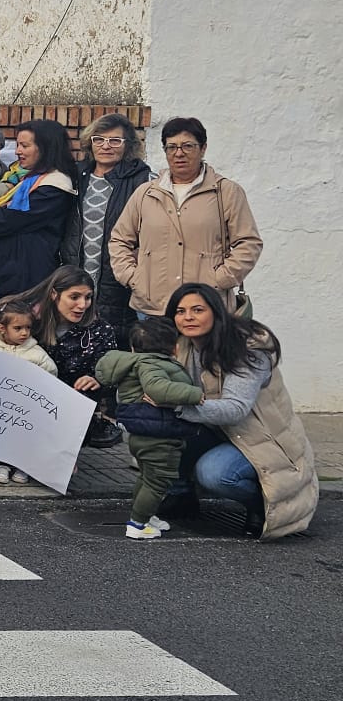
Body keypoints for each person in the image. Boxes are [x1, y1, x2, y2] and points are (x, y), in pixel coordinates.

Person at [164, 283, 316, 540]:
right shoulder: (181, 345)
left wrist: (174, 405)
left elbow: (234, 410)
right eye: (180, 311)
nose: (188, 317)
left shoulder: (247, 349)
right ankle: (181, 495)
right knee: (156, 432)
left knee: (214, 473)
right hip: (220, 433)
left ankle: (265, 503)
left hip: (263, 441)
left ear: (216, 312)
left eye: (197, 309)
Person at [108, 118, 263, 320]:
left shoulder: (225, 192)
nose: (179, 153)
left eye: (187, 146)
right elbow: (119, 239)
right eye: (171, 147)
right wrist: (133, 278)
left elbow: (249, 243)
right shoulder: (146, 193)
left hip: (206, 307)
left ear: (203, 148)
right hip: (153, 309)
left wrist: (220, 279)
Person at [94, 317, 206, 541]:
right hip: (159, 437)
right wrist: (195, 395)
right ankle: (138, 524)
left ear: (134, 347)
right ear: (175, 347)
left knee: (147, 479)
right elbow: (158, 389)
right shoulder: (153, 365)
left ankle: (147, 515)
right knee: (157, 481)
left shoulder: (137, 364)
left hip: (143, 434)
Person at [0, 118, 77, 310]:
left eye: (24, 145)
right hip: (9, 273)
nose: (17, 151)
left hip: (24, 278)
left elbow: (10, 220)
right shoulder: (28, 179)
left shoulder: (54, 186)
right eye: (18, 145)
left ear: (46, 147)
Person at [22, 265, 123, 447]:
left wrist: (97, 378)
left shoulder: (101, 329)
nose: (82, 305)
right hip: (26, 394)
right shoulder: (26, 319)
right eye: (74, 297)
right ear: (54, 294)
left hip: (70, 401)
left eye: (88, 297)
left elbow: (114, 371)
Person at [69, 113, 152, 326]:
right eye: (99, 139)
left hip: (118, 278)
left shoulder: (143, 180)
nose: (106, 146)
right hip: (76, 275)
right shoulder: (75, 176)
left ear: (128, 146)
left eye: (115, 140)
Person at [0, 297, 54, 487]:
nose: (25, 333)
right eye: (18, 328)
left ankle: (23, 466)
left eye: (28, 328)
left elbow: (51, 375)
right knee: (3, 436)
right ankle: (3, 464)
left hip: (26, 409)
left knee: (25, 436)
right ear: (2, 328)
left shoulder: (37, 353)